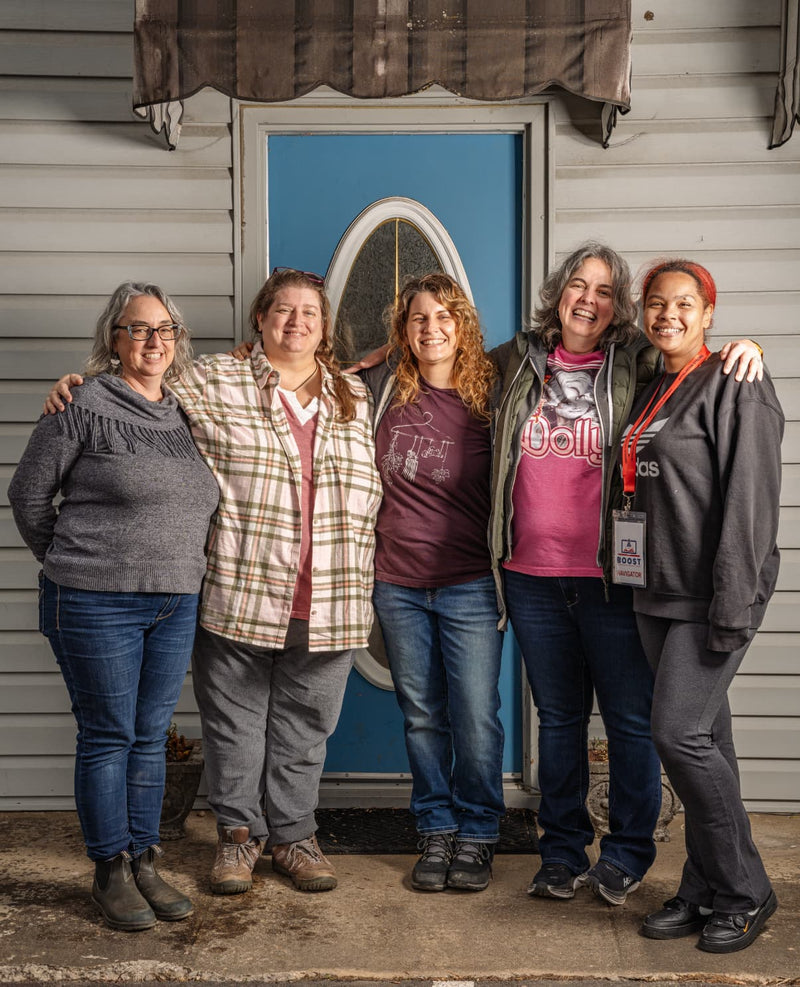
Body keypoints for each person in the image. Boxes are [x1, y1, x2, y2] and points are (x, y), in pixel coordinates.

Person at [43, 268, 382, 897]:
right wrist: (77, 384)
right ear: (260, 318)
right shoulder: (210, 379)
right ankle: (236, 838)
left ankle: (294, 836)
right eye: (283, 309)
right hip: (243, 586)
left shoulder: (351, 394)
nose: (296, 322)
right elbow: (137, 385)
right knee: (235, 724)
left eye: (310, 312)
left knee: (307, 726)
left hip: (333, 591)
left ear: (325, 326)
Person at [488, 242, 763, 906]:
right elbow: (441, 363)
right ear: (559, 294)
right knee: (557, 719)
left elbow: (693, 361)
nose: (589, 299)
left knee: (633, 720)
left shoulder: (638, 362)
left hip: (615, 575)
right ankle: (559, 852)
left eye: (605, 290)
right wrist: (373, 362)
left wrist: (743, 346)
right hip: (531, 574)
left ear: (621, 310)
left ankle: (627, 851)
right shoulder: (514, 362)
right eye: (578, 286)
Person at [9, 283, 220, 931]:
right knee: (109, 735)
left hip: (173, 599)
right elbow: (27, 496)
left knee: (151, 737)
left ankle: (145, 857)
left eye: (166, 329)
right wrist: (73, 562)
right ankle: (109, 868)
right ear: (114, 337)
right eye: (139, 328)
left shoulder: (186, 413)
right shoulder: (80, 403)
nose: (154, 341)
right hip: (95, 601)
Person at [626, 259, 781, 952]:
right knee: (709, 742)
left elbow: (750, 505)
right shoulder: (650, 381)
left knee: (679, 735)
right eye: (656, 304)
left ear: (709, 313)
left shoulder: (738, 381)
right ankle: (702, 885)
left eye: (684, 304)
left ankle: (746, 888)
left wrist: (734, 603)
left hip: (711, 594)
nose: (669, 315)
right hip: (653, 590)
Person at [362, 273, 504, 892]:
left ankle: (477, 832)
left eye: (445, 316)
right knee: (421, 714)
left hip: (470, 582)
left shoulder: (494, 398)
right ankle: (436, 827)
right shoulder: (379, 388)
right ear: (403, 331)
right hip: (397, 581)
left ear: (463, 325)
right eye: (419, 318)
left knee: (475, 715)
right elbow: (298, 370)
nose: (432, 328)